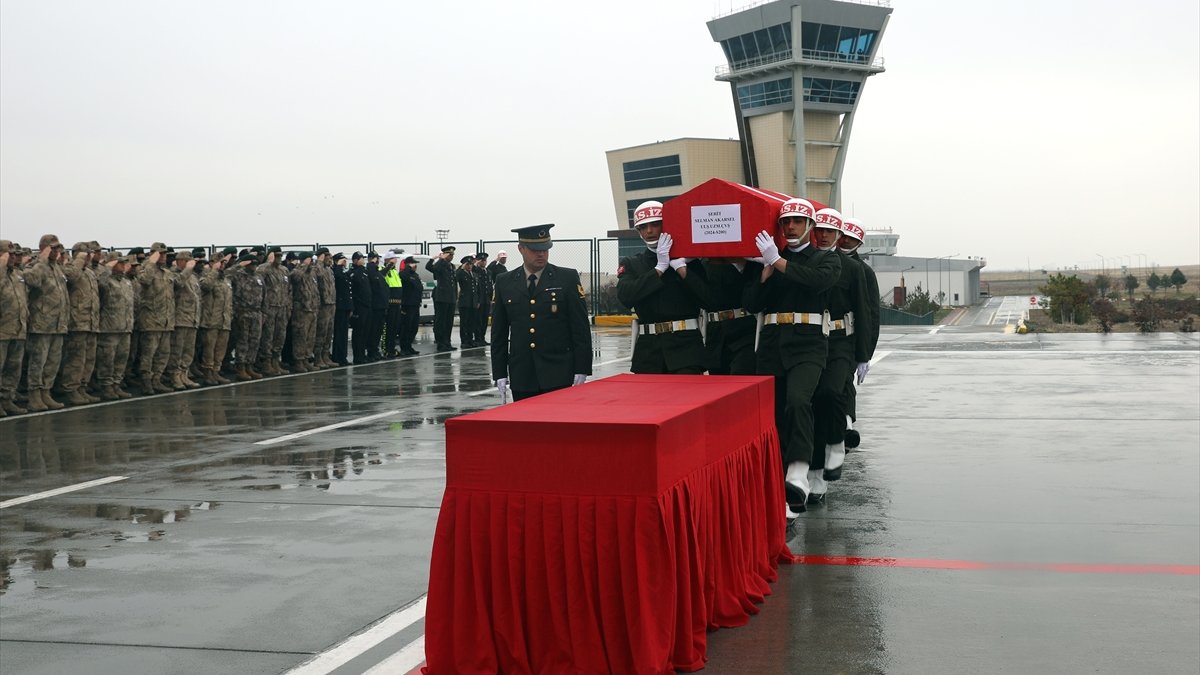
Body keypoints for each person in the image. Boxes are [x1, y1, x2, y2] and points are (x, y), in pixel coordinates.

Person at [744, 198, 841, 517]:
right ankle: (782, 485)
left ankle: (799, 473)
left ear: (811, 227)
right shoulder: (772, 260)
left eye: (798, 222)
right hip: (773, 344)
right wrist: (766, 270)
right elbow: (752, 304)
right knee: (773, 414)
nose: (790, 227)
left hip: (809, 345)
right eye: (786, 222)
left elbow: (816, 282)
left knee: (799, 402)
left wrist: (779, 262)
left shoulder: (824, 259)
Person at [806, 207, 869, 504]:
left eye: (829, 232)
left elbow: (865, 311)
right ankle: (815, 474)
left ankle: (836, 441)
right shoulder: (805, 262)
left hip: (841, 342)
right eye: (818, 230)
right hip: (809, 340)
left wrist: (863, 353)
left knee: (832, 394)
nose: (822, 236)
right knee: (813, 405)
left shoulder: (855, 269)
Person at [491, 224, 591, 401]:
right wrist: (499, 372)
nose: (541, 254)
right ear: (521, 249)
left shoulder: (566, 278)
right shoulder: (504, 282)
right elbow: (498, 332)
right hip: (522, 374)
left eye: (545, 249)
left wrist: (582, 368)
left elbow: (580, 327)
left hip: (559, 372)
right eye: (535, 249)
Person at [616, 200, 707, 374]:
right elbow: (625, 296)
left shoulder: (689, 261)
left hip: (686, 350)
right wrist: (659, 269)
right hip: (648, 353)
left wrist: (682, 269)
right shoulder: (632, 263)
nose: (649, 231)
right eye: (643, 227)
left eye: (655, 224)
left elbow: (707, 298)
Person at [839, 217, 880, 451]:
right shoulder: (821, 261)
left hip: (850, 337)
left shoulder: (864, 272)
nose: (845, 241)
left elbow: (871, 316)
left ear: (859, 243)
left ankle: (845, 424)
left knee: (844, 380)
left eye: (852, 239)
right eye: (843, 235)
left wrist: (866, 353)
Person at [694, 258, 759, 375]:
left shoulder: (752, 262)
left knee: (741, 380)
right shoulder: (702, 264)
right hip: (715, 335)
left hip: (743, 331)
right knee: (719, 386)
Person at [57, 241, 101, 404]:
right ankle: (71, 389)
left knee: (88, 359)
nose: (89, 257)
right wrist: (79, 261)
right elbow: (72, 278)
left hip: (91, 322)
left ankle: (82, 387)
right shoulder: (70, 269)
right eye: (86, 254)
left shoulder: (89, 273)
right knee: (75, 359)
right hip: (77, 322)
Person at [135, 242, 177, 394]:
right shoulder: (145, 269)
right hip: (151, 320)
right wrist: (151, 262)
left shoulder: (167, 273)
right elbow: (145, 280)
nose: (164, 256)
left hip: (166, 320)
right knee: (149, 353)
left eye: (165, 254)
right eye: (161, 253)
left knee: (163, 353)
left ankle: (156, 379)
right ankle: (146, 381)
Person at [95, 252, 135, 400]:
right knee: (107, 359)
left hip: (125, 327)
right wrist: (107, 269)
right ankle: (106, 387)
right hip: (110, 328)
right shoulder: (107, 280)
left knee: (121, 358)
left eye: (125, 263)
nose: (123, 265)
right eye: (120, 262)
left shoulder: (125, 281)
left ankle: (116, 385)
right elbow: (100, 286)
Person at [0, 240, 30, 416]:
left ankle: (7, 400)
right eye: (8, 254)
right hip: (2, 330)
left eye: (13, 254)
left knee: (13, 368)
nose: (13, 257)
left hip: (17, 328)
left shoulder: (16, 274)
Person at [169, 250, 202, 390]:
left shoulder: (193, 277)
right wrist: (187, 269)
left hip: (192, 318)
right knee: (177, 350)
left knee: (188, 351)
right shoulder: (174, 274)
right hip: (180, 318)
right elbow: (177, 284)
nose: (190, 263)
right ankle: (175, 376)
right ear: (179, 261)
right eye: (187, 261)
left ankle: (184, 374)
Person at [198, 255, 233, 386]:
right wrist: (214, 271)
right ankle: (208, 372)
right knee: (209, 348)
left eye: (224, 262)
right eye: (220, 262)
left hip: (224, 320)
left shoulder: (225, 279)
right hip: (211, 320)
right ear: (212, 263)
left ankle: (216, 371)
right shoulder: (207, 276)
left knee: (220, 349)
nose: (222, 265)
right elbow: (205, 286)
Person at [230, 253, 265, 381]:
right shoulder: (237, 275)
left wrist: (263, 313)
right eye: (251, 264)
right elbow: (225, 273)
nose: (254, 266)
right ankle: (241, 367)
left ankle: (250, 365)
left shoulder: (258, 277)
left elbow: (264, 295)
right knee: (243, 341)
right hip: (242, 312)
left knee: (254, 341)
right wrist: (239, 265)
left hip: (256, 312)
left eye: (256, 264)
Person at [256, 247, 291, 376]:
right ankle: (266, 363)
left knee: (280, 336)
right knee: (267, 337)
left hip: (282, 307)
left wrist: (288, 306)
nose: (279, 258)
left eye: (280, 255)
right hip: (269, 307)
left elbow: (289, 290)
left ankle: (276, 362)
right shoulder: (264, 269)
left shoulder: (284, 270)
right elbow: (259, 285)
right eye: (276, 255)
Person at [289, 251, 320, 371]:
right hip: (301, 309)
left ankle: (306, 359)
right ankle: (299, 361)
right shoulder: (297, 271)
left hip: (312, 309)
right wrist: (304, 265)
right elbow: (296, 277)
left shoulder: (312, 273)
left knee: (310, 337)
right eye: (310, 259)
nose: (312, 262)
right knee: (300, 336)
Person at [426, 246, 458, 351]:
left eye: (452, 255)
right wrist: (438, 258)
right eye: (449, 255)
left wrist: (455, 297)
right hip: (442, 297)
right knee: (441, 321)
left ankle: (447, 342)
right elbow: (430, 267)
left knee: (448, 322)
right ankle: (440, 343)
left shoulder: (451, 266)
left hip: (450, 298)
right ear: (444, 254)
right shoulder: (440, 265)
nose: (451, 257)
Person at [313, 247, 338, 368]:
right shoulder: (317, 268)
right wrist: (319, 261)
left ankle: (325, 355)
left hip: (331, 304)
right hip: (322, 305)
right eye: (328, 256)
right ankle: (317, 357)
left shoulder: (329, 270)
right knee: (321, 332)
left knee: (328, 333)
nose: (330, 259)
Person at [348, 251, 374, 363]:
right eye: (361, 259)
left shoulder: (364, 272)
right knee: (358, 332)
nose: (363, 260)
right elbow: (353, 291)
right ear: (355, 260)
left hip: (367, 306)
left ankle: (363, 355)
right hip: (359, 307)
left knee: (366, 332)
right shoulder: (352, 273)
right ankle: (357, 356)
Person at [398, 256, 423, 356]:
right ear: (408, 264)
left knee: (414, 327)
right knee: (406, 327)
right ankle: (404, 348)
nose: (415, 265)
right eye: (413, 263)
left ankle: (409, 346)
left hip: (415, 304)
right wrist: (407, 268)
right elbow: (405, 281)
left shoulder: (415, 275)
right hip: (407, 304)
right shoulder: (404, 274)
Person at [381, 251, 404, 357]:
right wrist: (389, 265)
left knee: (394, 328)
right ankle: (385, 349)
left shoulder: (395, 272)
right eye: (393, 259)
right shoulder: (383, 269)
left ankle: (391, 348)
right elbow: (382, 275)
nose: (395, 261)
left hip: (397, 303)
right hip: (389, 303)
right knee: (388, 328)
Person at [331, 253, 352, 365]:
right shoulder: (334, 271)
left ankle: (343, 357)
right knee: (338, 333)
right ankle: (337, 357)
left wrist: (350, 306)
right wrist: (338, 265)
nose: (344, 262)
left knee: (344, 333)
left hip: (345, 306)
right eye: (342, 260)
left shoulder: (343, 272)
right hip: (339, 306)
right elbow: (337, 278)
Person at [367, 250, 388, 361]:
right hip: (375, 306)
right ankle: (372, 351)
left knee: (378, 331)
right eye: (376, 258)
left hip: (381, 306)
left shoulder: (377, 272)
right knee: (373, 330)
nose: (378, 261)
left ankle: (375, 350)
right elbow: (370, 271)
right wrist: (371, 262)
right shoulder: (370, 270)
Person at [456, 255, 480, 348]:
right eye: (468, 264)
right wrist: (461, 268)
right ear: (464, 265)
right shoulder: (461, 273)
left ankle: (470, 340)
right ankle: (464, 341)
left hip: (473, 302)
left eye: (471, 264)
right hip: (464, 302)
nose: (470, 266)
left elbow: (476, 289)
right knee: (464, 323)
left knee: (472, 322)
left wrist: (477, 301)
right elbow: (456, 277)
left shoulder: (473, 274)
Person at [473, 253, 492, 346]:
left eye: (485, 261)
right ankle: (478, 338)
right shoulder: (476, 271)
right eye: (482, 261)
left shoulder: (488, 272)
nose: (484, 262)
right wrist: (476, 263)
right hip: (480, 300)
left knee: (484, 320)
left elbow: (489, 286)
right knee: (478, 320)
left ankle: (482, 338)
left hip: (486, 299)